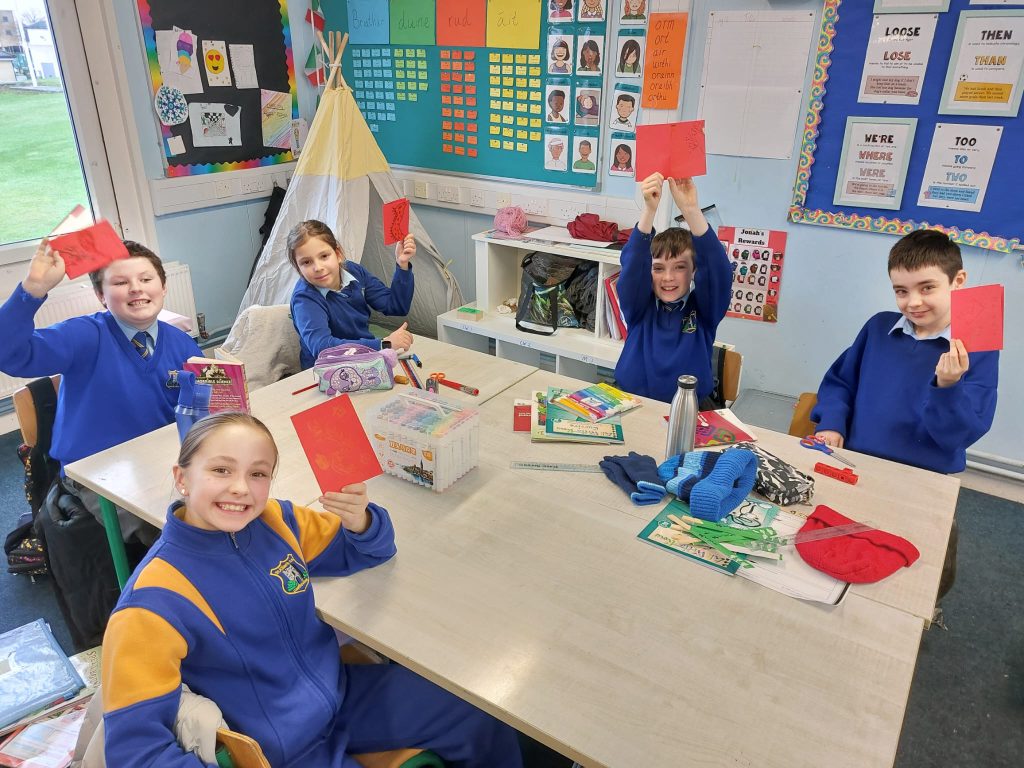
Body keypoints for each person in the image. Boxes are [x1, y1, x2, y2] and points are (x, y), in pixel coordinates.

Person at [100, 412, 524, 767]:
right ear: (182, 478)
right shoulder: (152, 603)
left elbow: (369, 549)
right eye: (221, 470)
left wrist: (360, 520)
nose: (241, 488)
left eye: (258, 473)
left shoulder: (276, 520)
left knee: (481, 712)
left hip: (343, 695)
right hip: (284, 751)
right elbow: (135, 752)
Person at [0, 238, 202, 543]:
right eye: (120, 282)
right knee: (172, 530)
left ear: (163, 288)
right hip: (97, 472)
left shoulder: (182, 344)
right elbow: (9, 352)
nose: (135, 288)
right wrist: (33, 289)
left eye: (146, 279)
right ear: (100, 296)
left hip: (161, 458)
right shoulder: (84, 335)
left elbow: (200, 407)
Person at [812, 229, 999, 475]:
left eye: (927, 288)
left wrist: (947, 386)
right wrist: (832, 423)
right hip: (854, 459)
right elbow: (840, 382)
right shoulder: (878, 327)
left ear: (958, 280)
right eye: (901, 291)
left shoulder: (978, 346)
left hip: (923, 474)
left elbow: (961, 436)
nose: (913, 302)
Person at [613, 173, 732, 404]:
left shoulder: (705, 311)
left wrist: (691, 210)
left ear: (694, 270)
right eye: (658, 268)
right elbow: (633, 266)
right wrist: (649, 210)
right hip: (631, 403)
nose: (668, 278)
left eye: (679, 267)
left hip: (689, 407)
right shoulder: (639, 306)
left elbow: (719, 272)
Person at [288, 219, 416, 370]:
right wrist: (384, 344)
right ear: (298, 268)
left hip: (366, 360)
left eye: (324, 256)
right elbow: (322, 349)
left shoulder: (354, 271)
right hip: (325, 372)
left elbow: (395, 306)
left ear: (338, 254)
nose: (318, 267)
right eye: (306, 262)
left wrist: (402, 264)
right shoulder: (304, 299)